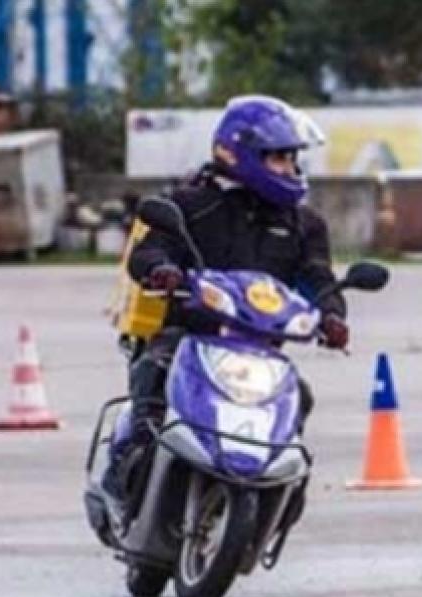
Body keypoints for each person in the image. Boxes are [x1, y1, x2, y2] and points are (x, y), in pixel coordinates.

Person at [103, 95, 349, 502]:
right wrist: (161, 270)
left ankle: (281, 492)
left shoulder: (305, 225)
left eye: (293, 159)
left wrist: (333, 316)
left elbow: (318, 278)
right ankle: (128, 469)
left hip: (260, 351)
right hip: (188, 336)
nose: (290, 168)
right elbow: (149, 251)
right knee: (155, 369)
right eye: (279, 158)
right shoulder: (188, 205)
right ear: (240, 153)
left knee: (299, 397)